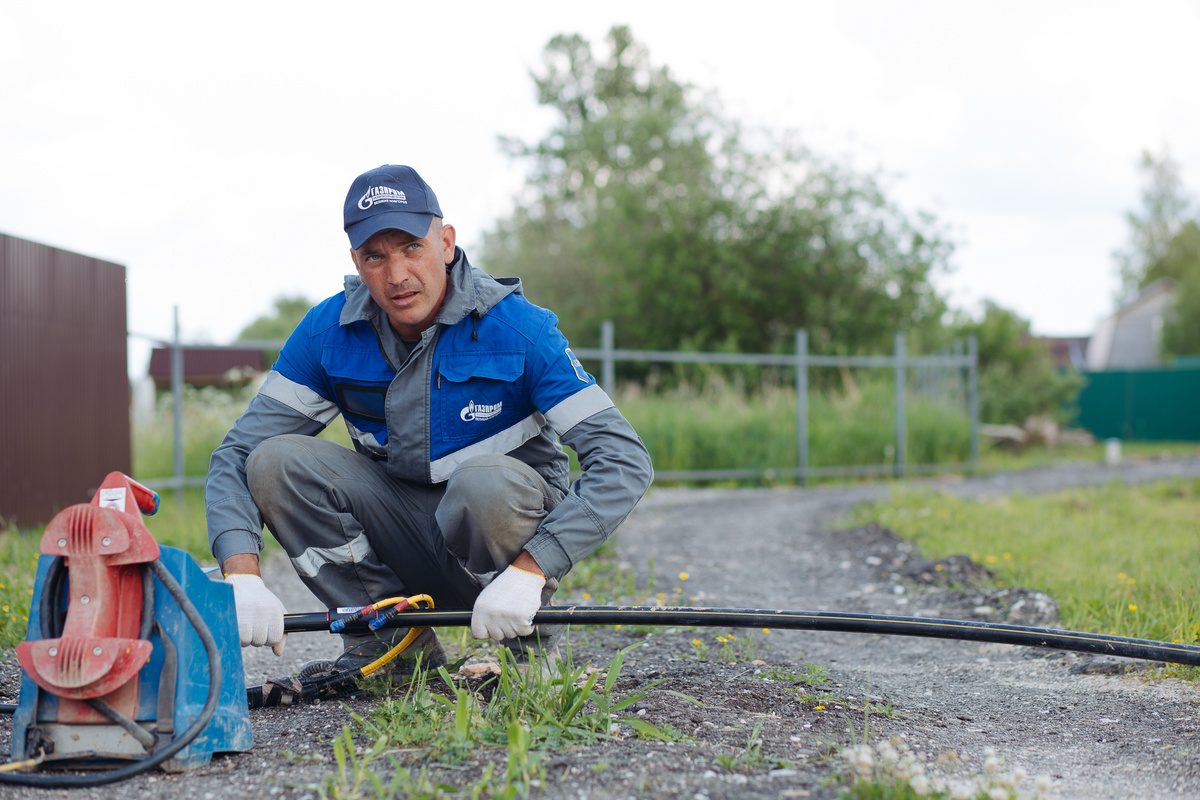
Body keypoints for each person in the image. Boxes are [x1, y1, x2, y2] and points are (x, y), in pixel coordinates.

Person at [205, 164, 653, 675]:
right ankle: (395, 652)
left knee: (482, 482)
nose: (396, 276)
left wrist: (533, 570)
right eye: (375, 256)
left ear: (446, 242)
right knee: (273, 460)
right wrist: (240, 575)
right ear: (356, 259)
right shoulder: (327, 333)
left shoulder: (521, 330)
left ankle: (530, 660)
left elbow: (624, 460)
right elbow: (237, 456)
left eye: (411, 248)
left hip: (501, 560)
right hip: (401, 540)